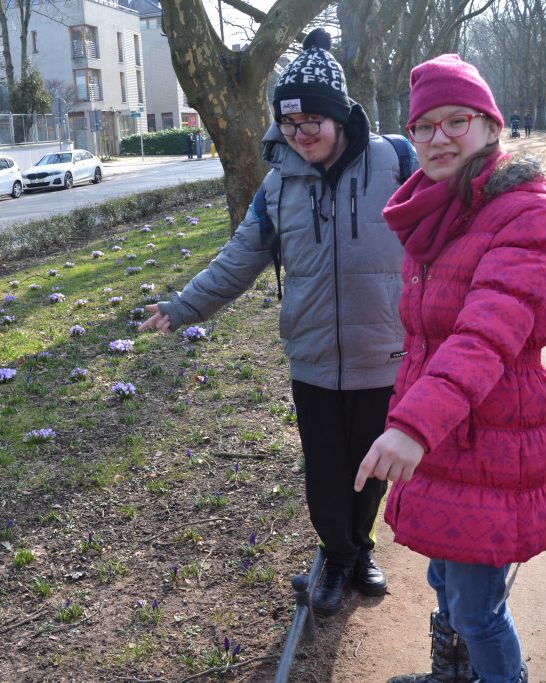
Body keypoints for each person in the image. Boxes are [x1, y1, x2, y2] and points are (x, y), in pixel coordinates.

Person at [139, 28, 409, 617]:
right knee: (325, 473)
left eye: (312, 119)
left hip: (384, 352)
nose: (300, 133)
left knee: (371, 468)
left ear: (339, 115)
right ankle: (337, 559)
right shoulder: (278, 185)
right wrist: (185, 305)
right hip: (312, 356)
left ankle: (359, 550)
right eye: (289, 124)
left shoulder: (397, 162)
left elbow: (449, 225)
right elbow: (240, 256)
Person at [354, 54, 546, 683]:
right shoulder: (437, 211)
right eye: (425, 126)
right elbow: (426, 337)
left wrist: (412, 426)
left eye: (457, 121)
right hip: (447, 429)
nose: (438, 137)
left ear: (489, 126)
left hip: (491, 436)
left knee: (479, 610)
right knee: (445, 576)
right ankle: (453, 675)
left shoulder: (526, 212)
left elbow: (485, 334)